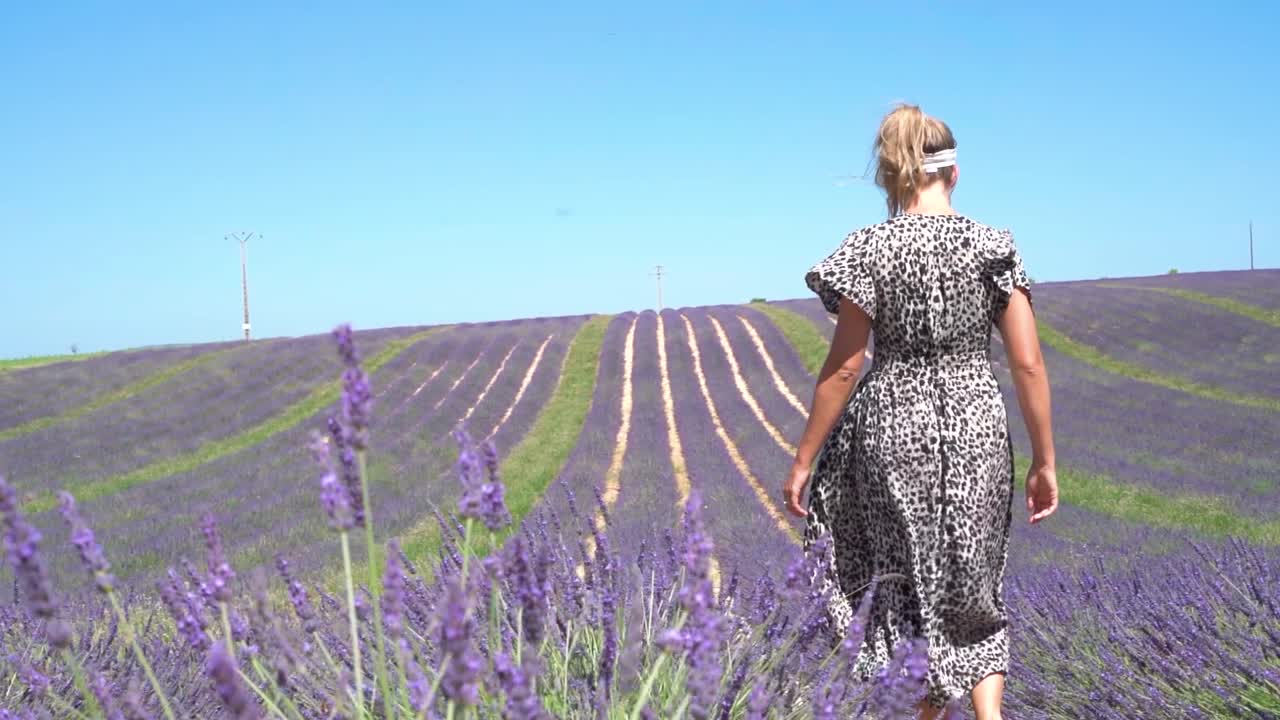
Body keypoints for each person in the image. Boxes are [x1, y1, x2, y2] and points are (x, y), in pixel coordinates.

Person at [782, 103, 1059, 720]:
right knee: (974, 589)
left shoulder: (869, 249)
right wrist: (1044, 460)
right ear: (954, 173)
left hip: (891, 432)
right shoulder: (993, 246)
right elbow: (1029, 363)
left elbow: (847, 366)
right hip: (976, 431)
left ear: (890, 177)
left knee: (906, 590)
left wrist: (804, 459)